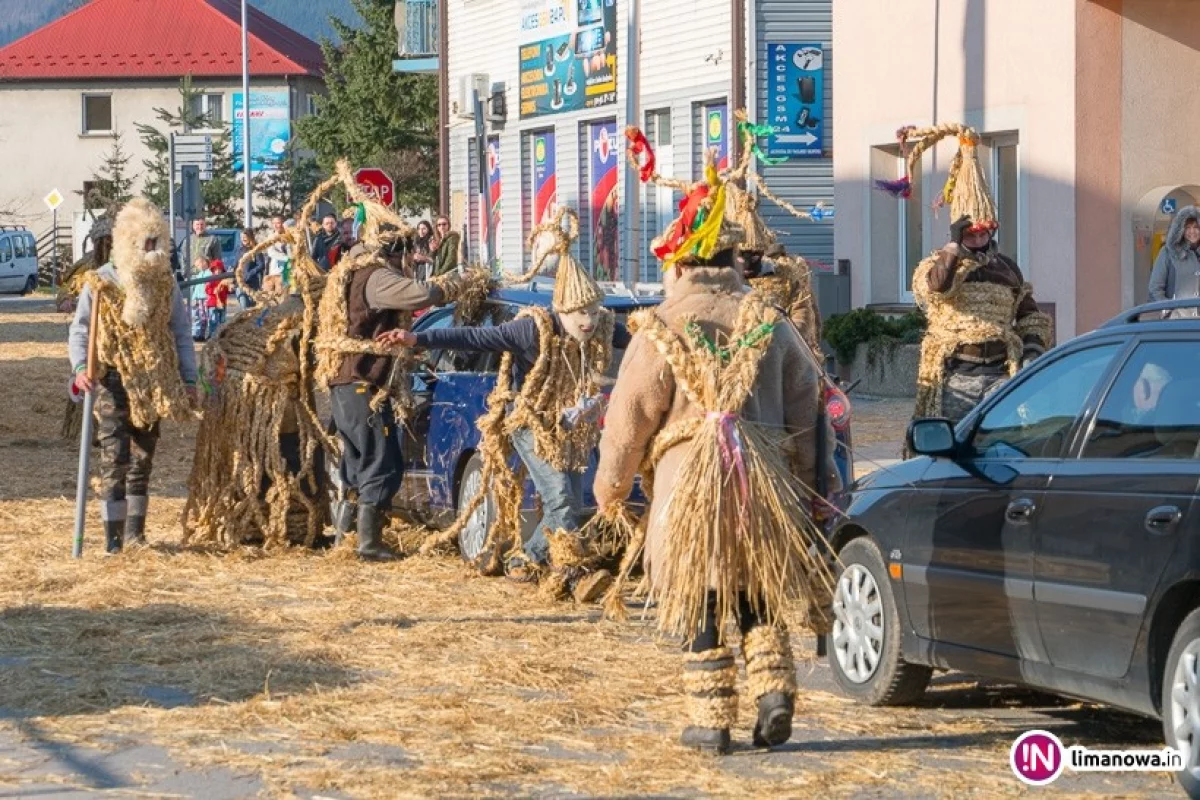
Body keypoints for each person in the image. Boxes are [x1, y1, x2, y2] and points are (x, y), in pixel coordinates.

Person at [594, 140, 840, 755]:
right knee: (758, 586)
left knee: (698, 594)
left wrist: (611, 490)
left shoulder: (661, 327)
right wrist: (815, 488)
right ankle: (774, 695)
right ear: (734, 259)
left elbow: (627, 421)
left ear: (678, 265)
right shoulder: (771, 321)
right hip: (763, 484)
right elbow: (808, 414)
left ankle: (711, 723)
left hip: (687, 491)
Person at [390, 208, 623, 602]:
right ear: (562, 308)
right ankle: (564, 571)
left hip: (572, 426)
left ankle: (527, 562)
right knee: (562, 499)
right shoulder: (532, 326)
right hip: (529, 419)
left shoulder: (601, 327)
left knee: (569, 500)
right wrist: (419, 341)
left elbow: (641, 342)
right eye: (580, 313)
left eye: (593, 312)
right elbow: (476, 339)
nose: (587, 321)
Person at [314, 186, 475, 562]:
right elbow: (417, 295)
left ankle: (347, 538)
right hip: (361, 381)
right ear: (392, 250)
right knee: (381, 461)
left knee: (356, 462)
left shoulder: (349, 271)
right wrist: (453, 285)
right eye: (407, 253)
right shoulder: (375, 276)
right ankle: (368, 543)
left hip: (345, 382)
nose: (411, 260)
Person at [892, 124, 1053, 424]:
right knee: (952, 444)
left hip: (999, 373)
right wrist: (954, 249)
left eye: (984, 235)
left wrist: (1031, 350)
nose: (979, 242)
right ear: (958, 233)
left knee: (999, 441)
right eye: (971, 236)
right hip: (954, 376)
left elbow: (1031, 316)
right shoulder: (937, 264)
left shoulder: (1007, 268)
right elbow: (939, 289)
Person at [69, 198, 198, 553]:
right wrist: (81, 368)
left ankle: (134, 536)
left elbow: (181, 333)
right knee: (116, 457)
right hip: (111, 379)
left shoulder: (165, 285)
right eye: (147, 244)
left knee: (143, 457)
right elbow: (81, 330)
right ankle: (113, 542)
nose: (154, 252)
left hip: (153, 380)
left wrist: (189, 380)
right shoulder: (101, 284)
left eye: (159, 244)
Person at [1149, 206, 1200, 317]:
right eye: (1187, 227)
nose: (1192, 231)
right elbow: (1155, 288)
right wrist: (1169, 310)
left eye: (1196, 227)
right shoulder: (1168, 252)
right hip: (1177, 321)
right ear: (1181, 230)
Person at [264, 214, 293, 296]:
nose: (276, 225)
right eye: (274, 223)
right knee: (277, 294)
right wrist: (287, 258)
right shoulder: (271, 237)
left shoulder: (290, 236)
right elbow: (271, 252)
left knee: (289, 293)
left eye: (278, 223)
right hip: (276, 270)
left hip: (290, 269)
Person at [237, 228, 266, 308]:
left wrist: (250, 273)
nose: (243, 239)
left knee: (253, 307)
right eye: (241, 237)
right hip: (241, 283)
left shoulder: (256, 250)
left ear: (250, 237)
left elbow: (261, 265)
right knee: (244, 306)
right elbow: (236, 265)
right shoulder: (240, 250)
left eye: (245, 237)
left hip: (252, 284)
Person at [204, 258, 232, 335]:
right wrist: (213, 291)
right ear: (213, 270)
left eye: (219, 269)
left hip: (222, 303)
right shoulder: (211, 279)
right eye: (216, 269)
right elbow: (207, 289)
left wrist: (229, 289)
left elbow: (227, 290)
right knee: (213, 320)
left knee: (222, 320)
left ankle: (221, 335)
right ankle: (212, 335)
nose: (218, 271)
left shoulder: (224, 280)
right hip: (213, 303)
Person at [190, 255, 212, 341]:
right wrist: (194, 297)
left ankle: (204, 334)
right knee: (197, 316)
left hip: (205, 297)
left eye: (198, 265)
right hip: (198, 298)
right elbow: (196, 287)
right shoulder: (199, 274)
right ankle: (197, 334)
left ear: (204, 263)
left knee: (205, 316)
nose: (197, 267)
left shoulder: (209, 273)